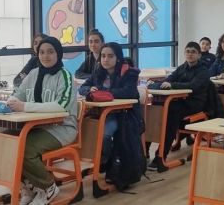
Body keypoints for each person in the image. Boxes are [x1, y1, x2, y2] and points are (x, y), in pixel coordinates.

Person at [9, 36, 78, 205]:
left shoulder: (65, 76)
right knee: (7, 141)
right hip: (35, 126)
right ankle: (30, 187)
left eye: (50, 52)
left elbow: (61, 106)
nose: (45, 56)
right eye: (41, 52)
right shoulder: (33, 73)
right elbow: (18, 94)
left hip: (61, 128)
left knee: (26, 148)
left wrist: (24, 106)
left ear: (58, 54)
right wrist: (11, 102)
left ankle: (48, 187)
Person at [147, 42, 210, 173]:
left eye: (193, 52)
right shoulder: (182, 67)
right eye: (187, 51)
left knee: (171, 113)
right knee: (154, 109)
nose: (190, 54)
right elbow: (170, 79)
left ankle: (161, 156)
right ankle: (144, 152)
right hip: (179, 100)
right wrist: (166, 83)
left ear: (199, 55)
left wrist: (172, 85)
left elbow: (193, 86)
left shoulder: (203, 71)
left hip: (194, 103)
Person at [78, 42, 136, 172]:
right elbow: (82, 88)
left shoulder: (128, 72)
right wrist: (89, 90)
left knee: (105, 134)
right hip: (99, 113)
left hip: (120, 114)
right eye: (103, 56)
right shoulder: (99, 71)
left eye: (110, 56)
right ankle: (91, 160)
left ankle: (106, 161)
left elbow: (129, 92)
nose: (106, 59)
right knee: (82, 130)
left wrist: (103, 93)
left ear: (118, 58)